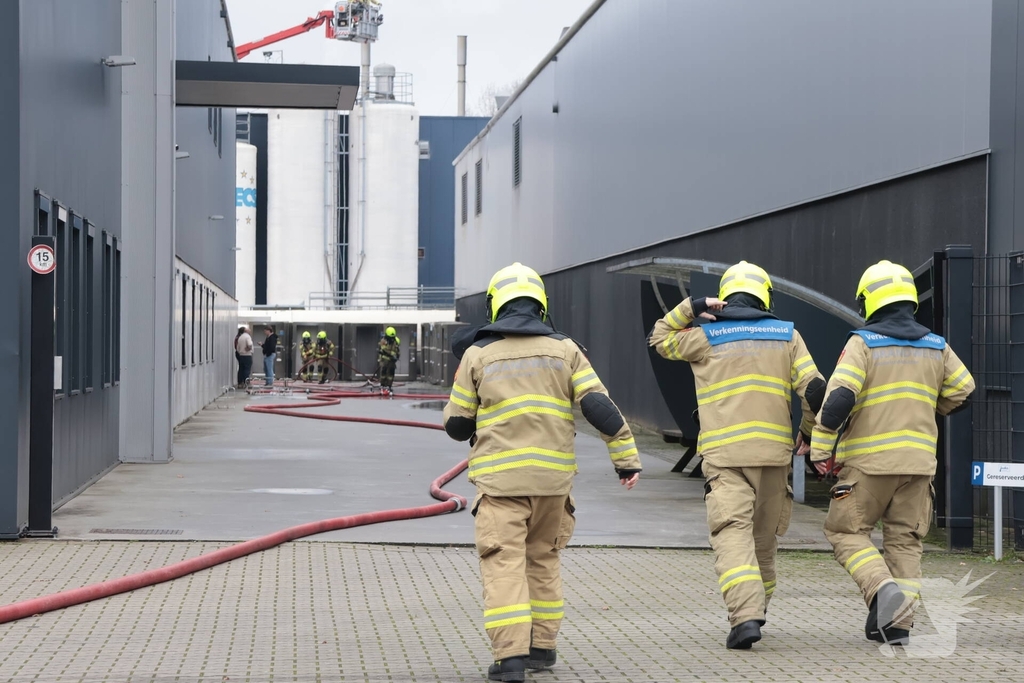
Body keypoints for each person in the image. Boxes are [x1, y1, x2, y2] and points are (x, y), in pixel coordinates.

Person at [443, 262, 642, 682]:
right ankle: (542, 648)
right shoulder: (566, 350)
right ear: (541, 304)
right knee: (544, 559)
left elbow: (457, 425)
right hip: (553, 485)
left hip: (501, 484)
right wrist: (626, 460)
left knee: (504, 564)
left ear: (495, 304)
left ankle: (510, 658)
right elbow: (599, 407)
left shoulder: (478, 354)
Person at [648, 260, 825, 650]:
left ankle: (745, 616)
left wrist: (692, 307)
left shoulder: (704, 336)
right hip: (774, 456)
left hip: (725, 457)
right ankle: (758, 609)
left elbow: (659, 338)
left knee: (732, 534)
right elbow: (815, 391)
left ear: (724, 299)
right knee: (763, 542)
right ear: (766, 297)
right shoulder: (787, 335)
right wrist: (808, 433)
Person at [810, 260, 975, 645]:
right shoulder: (937, 346)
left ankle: (882, 589)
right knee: (905, 541)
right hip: (918, 466)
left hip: (868, 465)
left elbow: (838, 401)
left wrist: (819, 449)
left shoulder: (863, 343)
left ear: (869, 301)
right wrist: (931, 406)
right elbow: (964, 390)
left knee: (845, 531)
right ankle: (898, 624)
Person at [376, 327, 401, 396]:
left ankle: (389, 386)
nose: (391, 339)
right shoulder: (383, 341)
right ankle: (383, 385)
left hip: (391, 361)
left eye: (392, 337)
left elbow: (396, 351)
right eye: (390, 337)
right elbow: (383, 349)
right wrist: (390, 354)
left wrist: (395, 356)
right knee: (383, 373)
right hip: (384, 360)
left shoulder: (395, 341)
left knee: (390, 374)